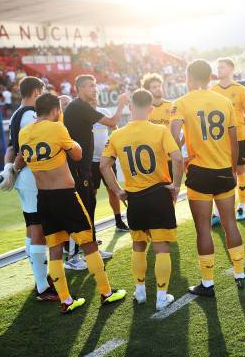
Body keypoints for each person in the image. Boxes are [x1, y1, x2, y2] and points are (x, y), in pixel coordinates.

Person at [15, 93, 127, 314]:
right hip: (65, 195)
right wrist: (72, 140)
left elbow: (22, 159)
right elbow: (77, 154)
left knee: (55, 249)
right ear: (56, 110)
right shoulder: (57, 128)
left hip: (43, 198)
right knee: (88, 243)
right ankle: (106, 293)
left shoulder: (24, 132)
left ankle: (65, 300)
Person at [101, 89, 184, 311]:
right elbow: (177, 158)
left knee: (138, 246)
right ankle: (161, 297)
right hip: (158, 195)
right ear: (150, 109)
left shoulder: (117, 135)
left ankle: (139, 292)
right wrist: (176, 185)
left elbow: (103, 166)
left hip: (134, 198)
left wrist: (118, 192)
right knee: (161, 248)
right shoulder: (160, 130)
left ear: (130, 107)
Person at [170, 60, 245, 296]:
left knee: (203, 229)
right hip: (224, 169)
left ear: (190, 78)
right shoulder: (224, 101)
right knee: (230, 223)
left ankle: (207, 283)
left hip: (200, 172)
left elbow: (172, 136)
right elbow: (234, 139)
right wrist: (233, 168)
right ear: (209, 77)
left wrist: (180, 158)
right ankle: (240, 273)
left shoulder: (181, 103)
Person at [63, 74, 129, 268]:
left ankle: (91, 248)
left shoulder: (82, 107)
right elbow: (112, 121)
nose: (95, 89)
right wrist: (121, 104)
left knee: (89, 205)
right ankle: (73, 257)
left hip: (84, 166)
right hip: (77, 166)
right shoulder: (79, 106)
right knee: (81, 209)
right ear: (80, 89)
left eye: (95, 85)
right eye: (90, 86)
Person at [3, 76, 58, 301]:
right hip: (31, 177)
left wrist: (9, 169)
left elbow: (10, 148)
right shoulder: (29, 116)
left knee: (30, 226)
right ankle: (43, 286)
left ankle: (39, 278)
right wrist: (15, 169)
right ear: (36, 92)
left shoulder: (16, 114)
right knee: (38, 228)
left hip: (24, 178)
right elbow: (27, 151)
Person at [210, 58, 245, 222]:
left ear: (231, 69)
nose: (218, 70)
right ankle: (217, 212)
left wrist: (237, 128)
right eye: (217, 67)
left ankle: (241, 207)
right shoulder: (212, 90)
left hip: (238, 138)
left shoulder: (241, 90)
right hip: (219, 141)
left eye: (221, 67)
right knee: (219, 172)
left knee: (240, 171)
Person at [90, 99, 128, 231]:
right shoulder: (84, 113)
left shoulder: (104, 111)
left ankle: (118, 222)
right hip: (90, 162)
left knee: (113, 190)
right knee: (91, 195)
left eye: (96, 92)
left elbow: (114, 129)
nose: (95, 95)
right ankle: (91, 227)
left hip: (107, 159)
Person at [141, 73, 175, 181]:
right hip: (152, 160)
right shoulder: (143, 109)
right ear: (148, 91)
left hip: (169, 158)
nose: (158, 89)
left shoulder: (172, 106)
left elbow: (179, 131)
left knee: (172, 192)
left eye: (159, 86)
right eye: (154, 87)